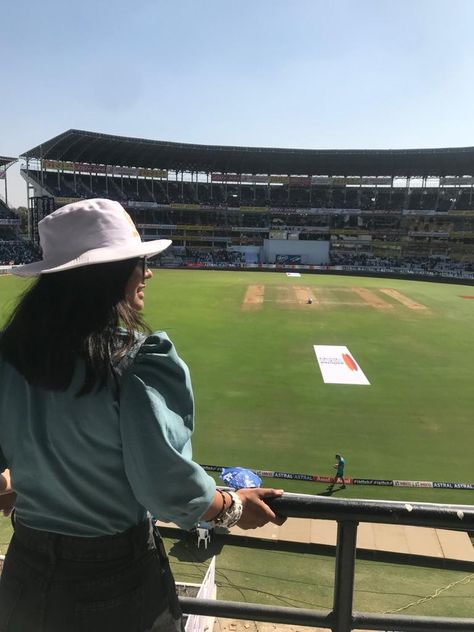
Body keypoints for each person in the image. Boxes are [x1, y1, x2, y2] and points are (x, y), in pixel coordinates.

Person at [0, 198, 286, 632]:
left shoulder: (8, 356)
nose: (147, 272)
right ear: (107, 276)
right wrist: (232, 507)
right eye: (138, 262)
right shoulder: (137, 361)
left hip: (24, 573)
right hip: (114, 584)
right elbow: (168, 488)